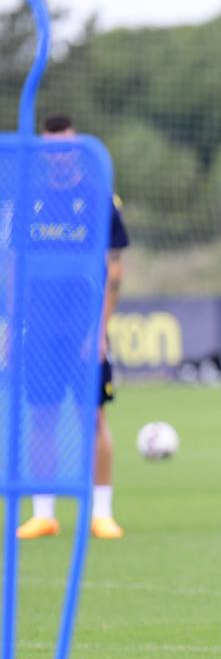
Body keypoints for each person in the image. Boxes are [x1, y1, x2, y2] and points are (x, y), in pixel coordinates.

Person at [18, 114, 129, 541]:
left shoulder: (99, 197)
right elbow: (15, 265)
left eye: (65, 146)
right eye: (51, 147)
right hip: (39, 326)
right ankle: (43, 513)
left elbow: (113, 271)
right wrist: (11, 324)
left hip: (84, 326)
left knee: (93, 416)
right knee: (40, 415)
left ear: (77, 147)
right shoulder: (30, 198)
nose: (58, 155)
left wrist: (99, 330)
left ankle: (102, 511)